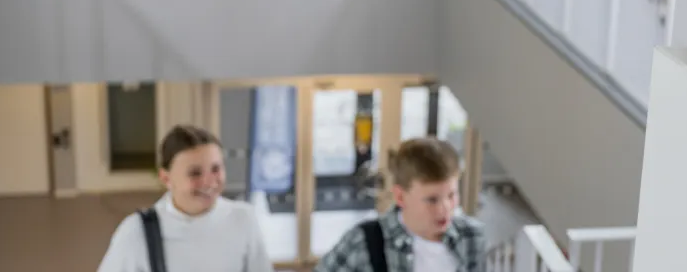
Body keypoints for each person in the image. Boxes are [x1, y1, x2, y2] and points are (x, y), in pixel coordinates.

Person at [98, 125, 274, 272]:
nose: (209, 182)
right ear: (166, 179)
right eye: (195, 173)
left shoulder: (243, 219)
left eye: (216, 169)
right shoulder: (137, 231)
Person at [315, 137, 487, 272]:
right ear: (400, 197)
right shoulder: (364, 242)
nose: (446, 208)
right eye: (432, 200)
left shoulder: (472, 237)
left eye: (451, 195)